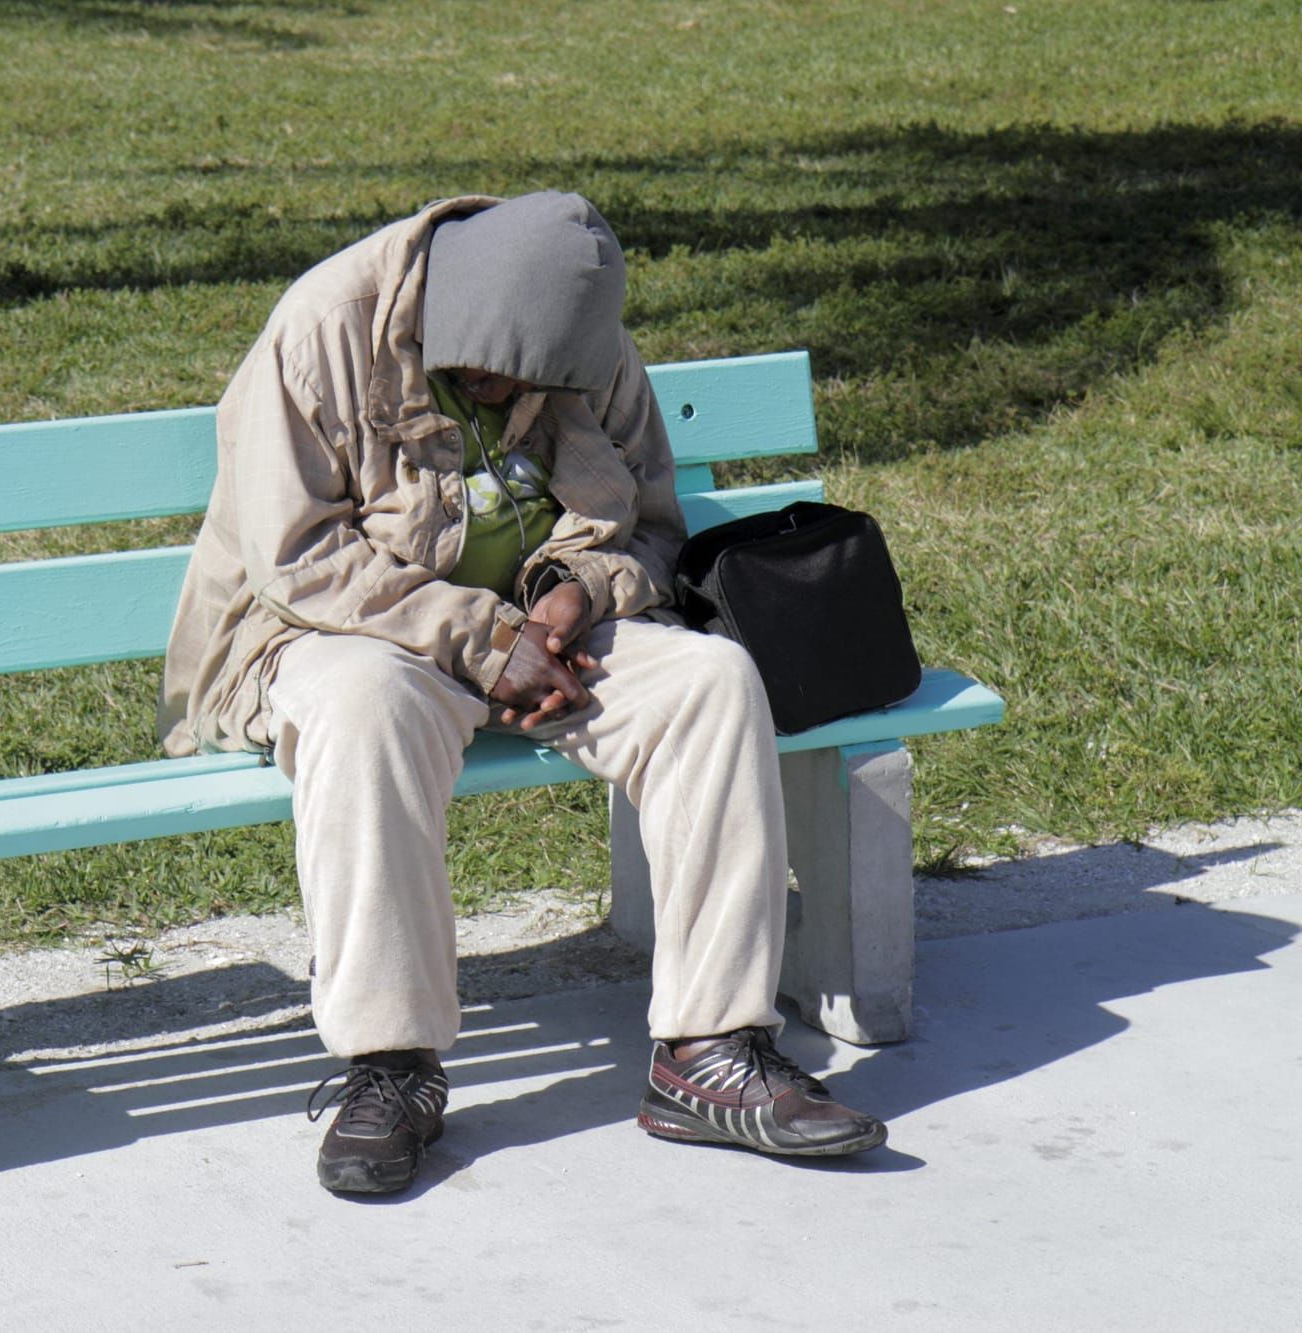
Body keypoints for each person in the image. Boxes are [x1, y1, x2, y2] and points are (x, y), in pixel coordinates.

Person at [158, 191, 885, 1195]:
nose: (511, 395)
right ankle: (389, 1067)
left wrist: (568, 600)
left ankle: (707, 1050)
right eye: (495, 377)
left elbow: (654, 531)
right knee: (368, 708)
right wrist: (481, 639)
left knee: (708, 680)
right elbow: (298, 558)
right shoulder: (323, 326)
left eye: (533, 382)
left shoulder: (584, 344)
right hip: (332, 629)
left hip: (536, 636)